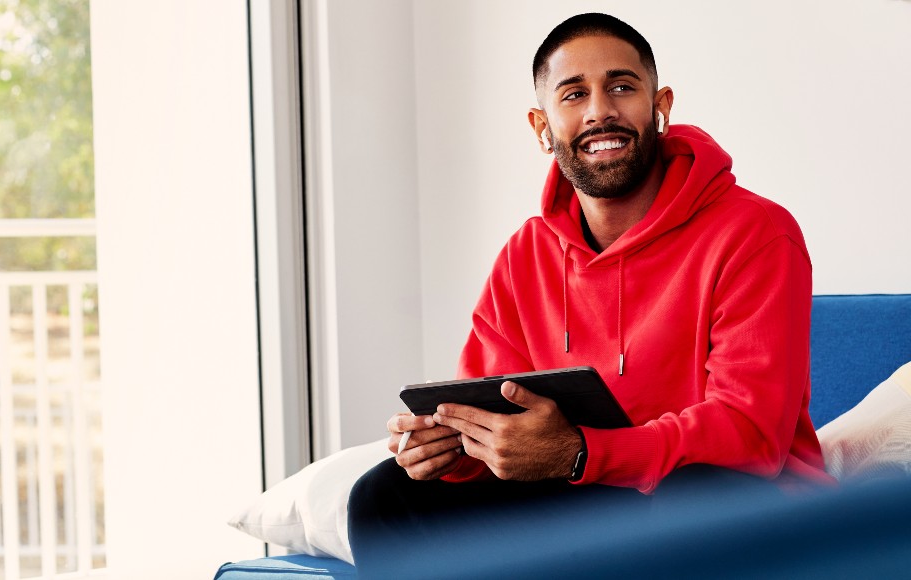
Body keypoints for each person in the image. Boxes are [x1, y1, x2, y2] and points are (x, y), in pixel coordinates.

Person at [348, 12, 834, 577]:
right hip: (591, 499)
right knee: (383, 498)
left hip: (743, 508)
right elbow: (499, 417)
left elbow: (750, 438)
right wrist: (452, 450)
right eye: (574, 94)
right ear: (541, 126)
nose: (600, 110)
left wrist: (581, 451)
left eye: (622, 87)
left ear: (661, 107)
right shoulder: (523, 255)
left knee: (696, 491)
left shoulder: (755, 233)